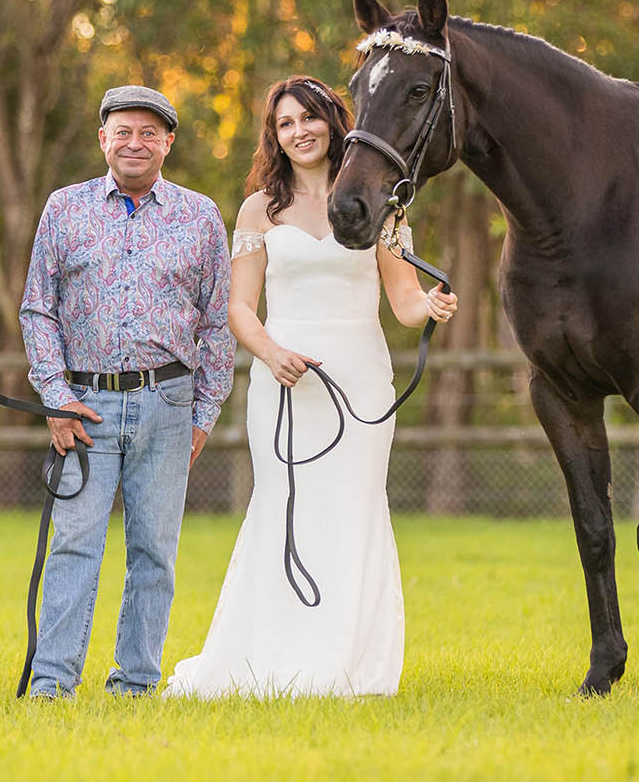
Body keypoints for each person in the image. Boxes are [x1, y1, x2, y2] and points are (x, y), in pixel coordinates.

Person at [165, 76, 458, 698]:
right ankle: (269, 653)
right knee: (284, 506)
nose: (299, 131)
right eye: (285, 124)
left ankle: (348, 662)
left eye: (309, 118)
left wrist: (429, 305)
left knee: (355, 507)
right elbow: (241, 308)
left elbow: (402, 301)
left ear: (333, 121)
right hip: (285, 378)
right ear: (274, 137)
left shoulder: (382, 203)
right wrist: (272, 354)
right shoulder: (258, 211)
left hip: (361, 375)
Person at [19, 85, 234, 698]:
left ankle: (135, 684)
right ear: (103, 138)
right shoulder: (65, 209)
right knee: (74, 547)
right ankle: (52, 685)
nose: (134, 143)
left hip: (169, 403)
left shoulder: (200, 217)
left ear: (167, 142)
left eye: (148, 133)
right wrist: (56, 396)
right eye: (123, 131)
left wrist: (204, 414)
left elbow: (216, 324)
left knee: (154, 553)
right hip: (84, 407)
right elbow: (38, 311)